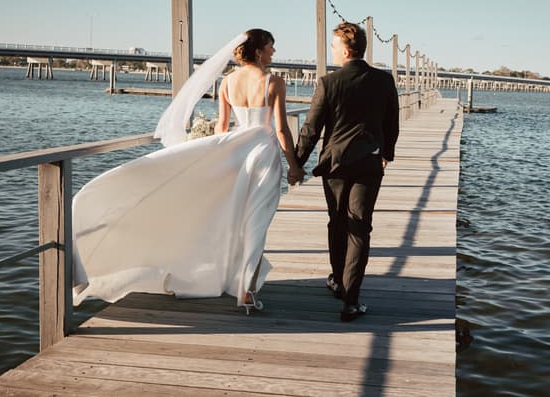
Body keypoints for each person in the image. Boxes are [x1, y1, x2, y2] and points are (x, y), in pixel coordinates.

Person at [72, 29, 303, 313]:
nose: (273, 52)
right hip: (264, 154)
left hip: (235, 154)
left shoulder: (227, 83)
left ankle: (236, 283)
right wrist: (294, 165)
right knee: (257, 220)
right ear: (258, 51)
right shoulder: (273, 82)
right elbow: (280, 129)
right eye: (271, 46)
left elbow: (221, 128)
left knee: (233, 217)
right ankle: (246, 291)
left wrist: (211, 158)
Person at [295, 22, 400, 322]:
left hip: (335, 166)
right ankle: (351, 301)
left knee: (338, 222)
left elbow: (311, 129)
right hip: (369, 163)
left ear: (344, 49)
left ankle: (339, 281)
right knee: (361, 228)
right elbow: (392, 123)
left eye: (332, 46)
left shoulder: (329, 83)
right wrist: (387, 155)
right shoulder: (384, 81)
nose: (331, 51)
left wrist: (296, 164)